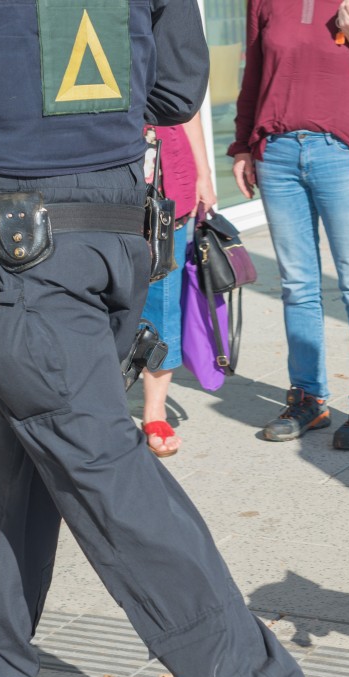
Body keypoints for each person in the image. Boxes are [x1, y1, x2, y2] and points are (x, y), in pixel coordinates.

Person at [0, 0, 349, 677]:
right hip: (115, 240)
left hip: (24, 254)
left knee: (109, 484)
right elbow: (178, 89)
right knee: (28, 451)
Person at [231, 0, 349, 448]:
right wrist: (241, 145)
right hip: (278, 154)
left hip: (341, 154)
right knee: (297, 284)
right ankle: (308, 399)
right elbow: (253, 74)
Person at [140, 115, 217, 458]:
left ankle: (154, 413)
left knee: (164, 299)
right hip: (104, 181)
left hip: (169, 178)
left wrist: (204, 174)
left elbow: (190, 108)